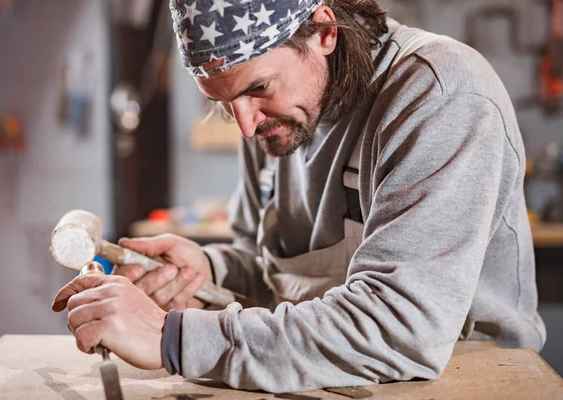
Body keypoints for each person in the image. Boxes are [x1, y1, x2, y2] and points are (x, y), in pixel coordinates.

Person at [52, 0, 546, 393]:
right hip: (327, 377)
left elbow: (400, 327)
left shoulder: (441, 96)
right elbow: (272, 272)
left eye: (258, 87)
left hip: (468, 382)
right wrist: (207, 274)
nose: (245, 124)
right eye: (222, 102)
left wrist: (172, 336)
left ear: (325, 31)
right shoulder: (274, 119)